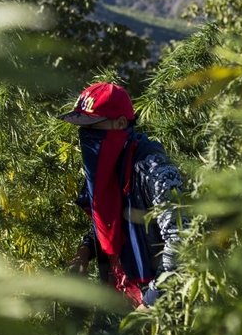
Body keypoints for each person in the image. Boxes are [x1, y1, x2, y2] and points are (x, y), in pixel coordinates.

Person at [58, 82, 184, 308]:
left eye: (93, 127)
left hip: (158, 301)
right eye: (82, 128)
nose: (86, 135)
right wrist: (85, 251)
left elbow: (181, 240)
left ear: (121, 123)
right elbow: (108, 220)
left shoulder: (154, 169)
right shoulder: (103, 168)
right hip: (118, 289)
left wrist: (152, 302)